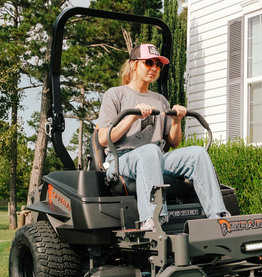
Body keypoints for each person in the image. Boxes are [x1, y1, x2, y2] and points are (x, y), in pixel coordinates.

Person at [95, 43, 229, 230]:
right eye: (149, 63)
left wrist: (177, 120)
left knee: (197, 154)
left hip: (155, 157)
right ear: (134, 64)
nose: (154, 68)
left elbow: (174, 142)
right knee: (150, 151)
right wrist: (132, 116)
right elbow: (103, 138)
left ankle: (219, 217)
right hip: (121, 160)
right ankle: (153, 220)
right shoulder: (115, 94)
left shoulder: (160, 100)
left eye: (158, 65)